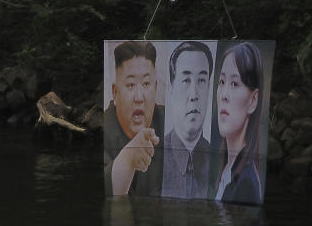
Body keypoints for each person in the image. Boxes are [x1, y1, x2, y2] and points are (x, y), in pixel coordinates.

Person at [104, 41, 164, 196]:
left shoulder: (170, 122)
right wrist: (128, 158)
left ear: (155, 88)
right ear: (115, 93)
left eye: (146, 84)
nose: (139, 97)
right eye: (130, 85)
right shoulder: (101, 128)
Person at [211, 41, 264, 204]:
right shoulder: (229, 168)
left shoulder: (246, 180)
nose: (224, 95)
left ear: (253, 100)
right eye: (221, 82)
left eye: (234, 84)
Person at [161, 41, 213, 199]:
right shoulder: (151, 157)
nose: (194, 95)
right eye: (186, 80)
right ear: (171, 90)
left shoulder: (221, 161)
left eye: (202, 81)